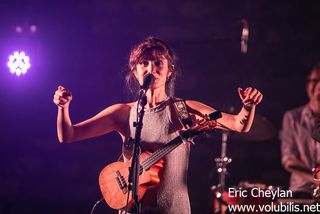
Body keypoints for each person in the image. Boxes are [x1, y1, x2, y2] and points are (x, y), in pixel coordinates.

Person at [53, 37, 263, 213]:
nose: (150, 68)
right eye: (144, 63)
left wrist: (248, 107)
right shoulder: (123, 113)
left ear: (169, 71)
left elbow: (238, 124)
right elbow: (68, 135)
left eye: (157, 63)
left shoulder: (183, 109)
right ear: (135, 72)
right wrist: (64, 107)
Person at [280, 63, 320, 199]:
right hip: (302, 190)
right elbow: (289, 160)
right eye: (315, 81)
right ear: (307, 85)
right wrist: (316, 179)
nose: (319, 86)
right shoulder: (292, 118)